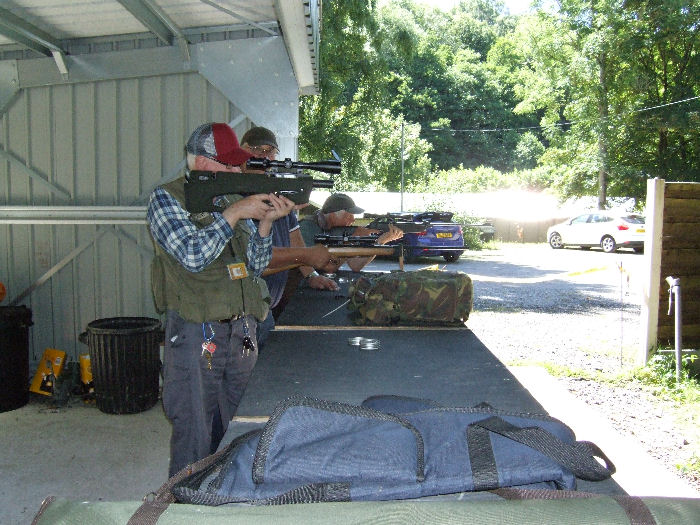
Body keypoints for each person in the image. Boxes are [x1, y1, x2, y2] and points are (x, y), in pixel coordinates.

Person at [147, 122, 308, 476]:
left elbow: (256, 266)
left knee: (242, 426)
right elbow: (192, 255)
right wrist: (235, 214)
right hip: (196, 334)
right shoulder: (167, 198)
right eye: (229, 163)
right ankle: (187, 510)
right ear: (203, 163)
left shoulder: (231, 200)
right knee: (194, 432)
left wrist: (265, 223)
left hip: (243, 332)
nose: (238, 170)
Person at [239, 126, 338, 344]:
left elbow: (296, 243)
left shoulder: (278, 195)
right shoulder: (235, 199)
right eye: (256, 150)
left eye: (270, 151)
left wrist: (311, 275)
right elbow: (257, 260)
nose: (264, 156)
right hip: (240, 313)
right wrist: (309, 256)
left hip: (265, 311)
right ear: (242, 153)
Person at [299, 193, 404, 272]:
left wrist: (381, 241)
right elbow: (327, 268)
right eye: (349, 216)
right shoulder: (307, 228)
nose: (353, 220)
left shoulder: (339, 231)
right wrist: (346, 245)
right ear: (333, 214)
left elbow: (355, 265)